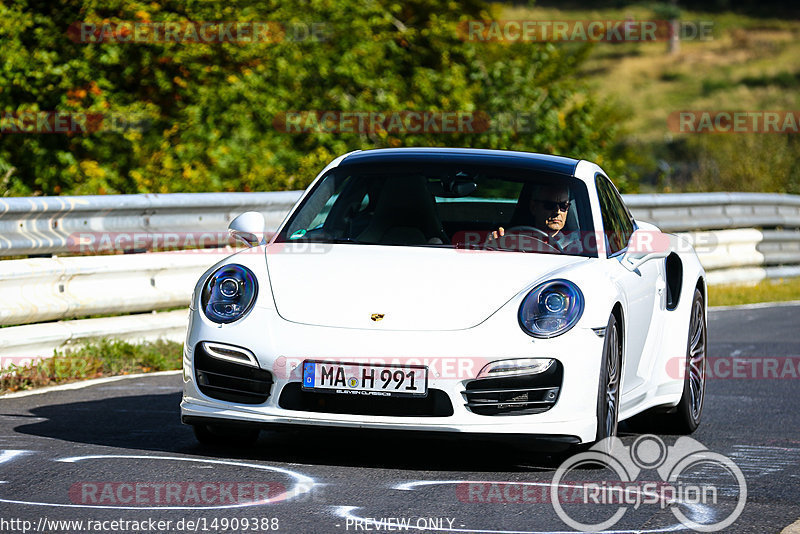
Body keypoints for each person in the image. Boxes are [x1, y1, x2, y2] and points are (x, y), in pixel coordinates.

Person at [488, 183, 579, 252]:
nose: (558, 212)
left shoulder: (577, 247)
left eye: (564, 206)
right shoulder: (510, 239)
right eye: (549, 205)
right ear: (533, 207)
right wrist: (493, 244)